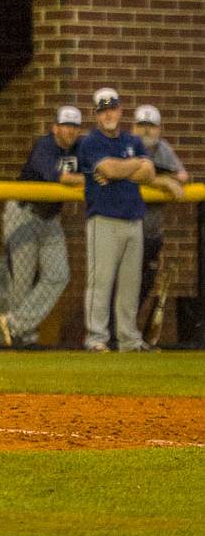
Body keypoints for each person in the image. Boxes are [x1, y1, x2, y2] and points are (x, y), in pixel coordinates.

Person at [0, 105, 84, 348]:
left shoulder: (82, 148)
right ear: (55, 128)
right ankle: (22, 337)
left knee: (58, 275)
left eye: (74, 126)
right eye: (65, 126)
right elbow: (55, 176)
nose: (70, 131)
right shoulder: (45, 145)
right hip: (23, 213)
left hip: (50, 217)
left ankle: (16, 324)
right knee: (21, 281)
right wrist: (87, 179)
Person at [76, 87, 155, 352]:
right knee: (101, 282)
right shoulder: (90, 142)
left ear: (120, 111)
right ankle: (96, 338)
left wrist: (120, 169)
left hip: (133, 218)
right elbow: (109, 168)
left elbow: (149, 173)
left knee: (130, 285)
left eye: (112, 109)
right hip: (103, 219)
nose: (108, 114)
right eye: (103, 110)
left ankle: (128, 339)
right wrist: (131, 165)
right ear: (96, 115)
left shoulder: (132, 140)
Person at [132, 104, 190, 320]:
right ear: (134, 127)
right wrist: (163, 180)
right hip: (129, 228)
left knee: (146, 281)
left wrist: (166, 179)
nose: (146, 130)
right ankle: (114, 331)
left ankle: (127, 331)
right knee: (124, 282)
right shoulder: (128, 146)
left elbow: (183, 176)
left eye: (151, 126)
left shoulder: (163, 148)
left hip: (152, 232)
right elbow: (133, 175)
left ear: (159, 129)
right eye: (142, 125)